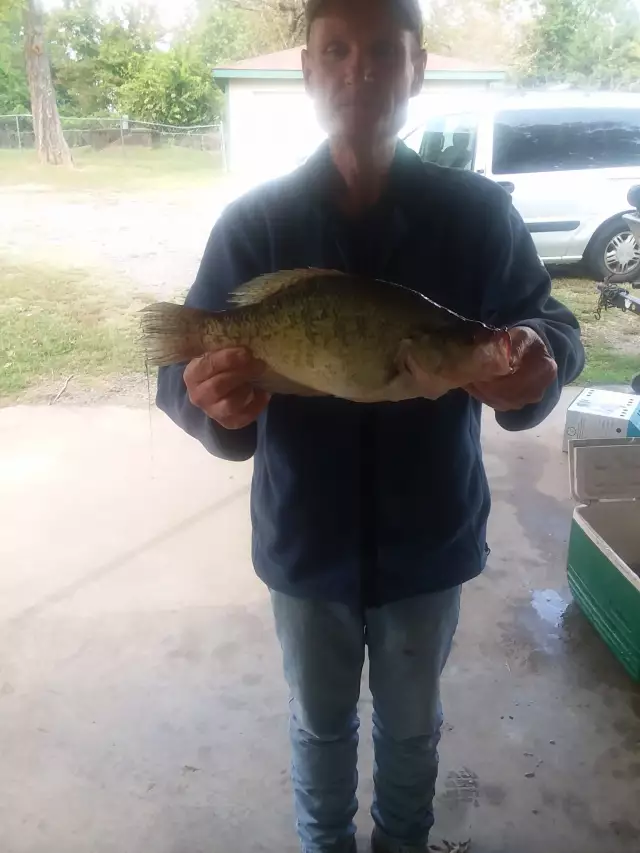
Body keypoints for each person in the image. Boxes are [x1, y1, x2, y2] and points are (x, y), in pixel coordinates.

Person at [156, 1, 585, 851]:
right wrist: (209, 402)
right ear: (310, 70)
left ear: (417, 68)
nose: (361, 71)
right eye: (338, 51)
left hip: (430, 544)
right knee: (318, 726)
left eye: (386, 52)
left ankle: (404, 840)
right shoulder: (256, 222)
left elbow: (550, 325)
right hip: (305, 545)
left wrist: (537, 357)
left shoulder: (479, 215)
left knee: (413, 727)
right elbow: (180, 363)